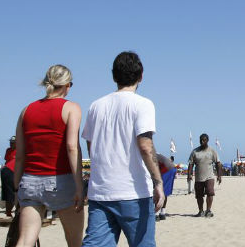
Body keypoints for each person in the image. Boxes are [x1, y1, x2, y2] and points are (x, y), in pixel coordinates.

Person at [81, 51, 164, 247]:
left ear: (114, 76)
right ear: (141, 76)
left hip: (101, 192)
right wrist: (158, 182)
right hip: (133, 193)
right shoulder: (143, 104)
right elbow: (145, 145)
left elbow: (91, 145)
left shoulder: (96, 106)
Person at [13, 64, 84, 247]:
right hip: (61, 180)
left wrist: (16, 189)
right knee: (74, 241)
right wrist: (79, 186)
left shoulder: (26, 111)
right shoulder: (71, 108)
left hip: (29, 181)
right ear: (67, 85)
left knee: (25, 239)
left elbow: (19, 155)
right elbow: (72, 147)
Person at [187, 133, 222, 218]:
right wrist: (189, 175)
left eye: (204, 140)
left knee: (210, 193)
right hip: (198, 177)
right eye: (201, 140)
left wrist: (219, 175)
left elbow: (218, 163)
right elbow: (191, 164)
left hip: (209, 176)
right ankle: (201, 211)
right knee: (199, 195)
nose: (202, 141)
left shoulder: (212, 151)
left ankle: (208, 210)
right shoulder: (195, 152)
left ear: (207, 141)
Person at [156, 154, 176, 221]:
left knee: (158, 191)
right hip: (171, 169)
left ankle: (156, 214)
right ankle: (162, 213)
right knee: (165, 191)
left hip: (165, 169)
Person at [0, 136, 17, 217]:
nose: (11, 144)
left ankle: (10, 212)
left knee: (13, 192)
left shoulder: (20, 150)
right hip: (8, 170)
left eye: (13, 143)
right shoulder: (8, 150)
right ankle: (9, 212)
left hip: (13, 170)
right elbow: (7, 160)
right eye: (10, 142)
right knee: (10, 193)